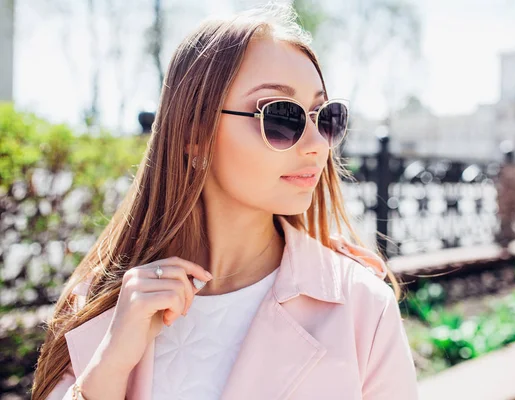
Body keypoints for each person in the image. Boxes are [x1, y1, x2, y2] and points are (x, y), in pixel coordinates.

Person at [32, 4, 418, 399]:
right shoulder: (103, 300)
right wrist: (109, 365)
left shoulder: (361, 306)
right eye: (282, 118)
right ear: (194, 133)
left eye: (325, 116)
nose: (318, 145)